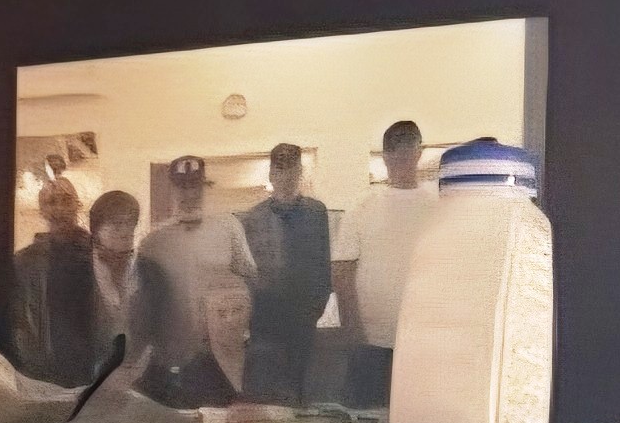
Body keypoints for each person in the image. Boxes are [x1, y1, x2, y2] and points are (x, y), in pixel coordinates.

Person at [129, 152, 254, 403]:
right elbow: (140, 307)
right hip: (170, 361)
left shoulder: (228, 229)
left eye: (195, 186)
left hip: (217, 360)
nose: (189, 194)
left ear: (204, 186)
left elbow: (249, 283)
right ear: (172, 189)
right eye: (182, 187)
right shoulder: (153, 242)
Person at [335, 115, 441, 399]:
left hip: (425, 340)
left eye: (408, 151)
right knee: (368, 419)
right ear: (385, 157)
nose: (402, 160)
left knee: (419, 418)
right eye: (396, 153)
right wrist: (354, 334)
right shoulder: (361, 207)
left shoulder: (439, 205)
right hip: (372, 342)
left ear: (419, 153)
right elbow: (342, 274)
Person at [239, 138, 333, 402]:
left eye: (292, 171)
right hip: (264, 317)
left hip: (304, 315)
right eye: (280, 171)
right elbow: (247, 271)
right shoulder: (253, 218)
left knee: (300, 386)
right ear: (271, 174)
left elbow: (323, 264)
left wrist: (316, 308)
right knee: (265, 384)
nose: (286, 178)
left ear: (300, 172)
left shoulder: (316, 212)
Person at [11, 165, 105, 388]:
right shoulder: (25, 262)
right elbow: (19, 317)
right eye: (52, 202)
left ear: (77, 205)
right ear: (42, 210)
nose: (60, 208)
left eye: (66, 200)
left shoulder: (99, 255)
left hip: (95, 368)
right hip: (45, 372)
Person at [85, 182, 141, 359]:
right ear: (96, 230)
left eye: (130, 224)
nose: (126, 232)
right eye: (117, 224)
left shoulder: (147, 272)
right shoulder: (78, 275)